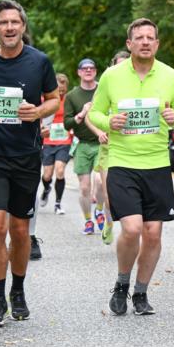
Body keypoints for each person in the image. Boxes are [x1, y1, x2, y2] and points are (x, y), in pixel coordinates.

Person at [86, 18, 174, 316]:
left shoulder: (171, 76)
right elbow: (94, 113)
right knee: (132, 228)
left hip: (157, 164)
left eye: (150, 37)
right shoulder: (112, 76)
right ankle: (122, 283)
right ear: (129, 43)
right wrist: (109, 122)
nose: (145, 42)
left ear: (157, 44)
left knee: (153, 233)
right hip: (122, 162)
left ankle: (141, 292)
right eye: (139, 37)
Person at [0, 0, 59, 328]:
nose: (9, 28)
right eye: (3, 22)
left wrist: (38, 112)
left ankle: (18, 290)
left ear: (23, 26)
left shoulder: (39, 61)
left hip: (26, 156)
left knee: (19, 231)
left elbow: (54, 99)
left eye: (14, 22)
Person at [85, 50, 130, 245]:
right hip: (109, 148)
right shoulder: (106, 85)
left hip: (132, 149)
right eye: (119, 65)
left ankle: (131, 232)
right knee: (110, 196)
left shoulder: (139, 87)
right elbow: (90, 116)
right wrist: (99, 132)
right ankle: (109, 223)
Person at [64, 58, 108, 234]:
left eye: (91, 68)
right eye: (85, 68)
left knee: (100, 181)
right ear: (79, 72)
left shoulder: (103, 90)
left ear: (95, 71)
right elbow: (67, 124)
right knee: (84, 187)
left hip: (102, 143)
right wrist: (81, 114)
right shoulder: (72, 96)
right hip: (82, 144)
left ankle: (99, 210)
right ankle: (88, 220)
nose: (88, 71)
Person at [40, 73, 73, 215]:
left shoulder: (69, 100)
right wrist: (41, 127)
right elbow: (38, 116)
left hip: (64, 141)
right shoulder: (45, 100)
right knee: (47, 175)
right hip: (48, 141)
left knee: (60, 170)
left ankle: (58, 203)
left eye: (63, 89)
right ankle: (46, 188)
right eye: (58, 89)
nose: (61, 92)